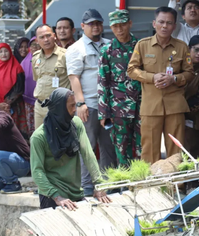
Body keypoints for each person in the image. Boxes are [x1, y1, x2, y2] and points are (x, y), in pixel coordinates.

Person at [29, 88, 112, 236]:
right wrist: (56, 197)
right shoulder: (39, 137)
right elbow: (37, 171)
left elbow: (88, 153)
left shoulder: (75, 124)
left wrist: (98, 184)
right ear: (58, 109)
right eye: (71, 106)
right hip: (51, 194)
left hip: (75, 191)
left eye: (75, 105)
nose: (75, 110)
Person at [127, 6, 194, 164]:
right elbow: (131, 70)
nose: (165, 26)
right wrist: (152, 77)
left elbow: (190, 73)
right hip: (151, 106)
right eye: (161, 22)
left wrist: (174, 79)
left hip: (175, 106)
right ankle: (150, 187)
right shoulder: (143, 45)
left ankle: (177, 186)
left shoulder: (182, 47)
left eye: (169, 23)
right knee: (149, 149)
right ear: (154, 23)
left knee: (176, 150)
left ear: (174, 26)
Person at [66, 9, 117, 195]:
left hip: (109, 106)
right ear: (83, 26)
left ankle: (108, 184)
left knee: (109, 146)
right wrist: (80, 104)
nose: (95, 27)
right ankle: (87, 186)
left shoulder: (110, 44)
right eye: (91, 24)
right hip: (89, 104)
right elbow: (74, 78)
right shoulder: (76, 48)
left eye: (98, 23)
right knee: (87, 146)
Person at [98, 10, 142, 166]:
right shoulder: (107, 50)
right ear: (110, 27)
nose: (119, 29)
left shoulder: (141, 46)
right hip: (118, 108)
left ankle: (140, 182)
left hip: (141, 106)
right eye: (115, 26)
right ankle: (124, 183)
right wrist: (103, 113)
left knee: (141, 146)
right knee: (121, 148)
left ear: (130, 23)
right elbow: (103, 82)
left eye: (123, 25)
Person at [0, 43, 28, 140]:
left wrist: (6, 103)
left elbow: (19, 89)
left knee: (16, 134)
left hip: (15, 107)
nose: (3, 54)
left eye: (6, 51)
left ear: (10, 52)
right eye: (0, 52)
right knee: (1, 134)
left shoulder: (17, 68)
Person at [32, 24, 70, 129]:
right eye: (42, 37)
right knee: (40, 140)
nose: (46, 40)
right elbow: (37, 79)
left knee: (59, 141)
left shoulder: (65, 55)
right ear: (37, 41)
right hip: (40, 106)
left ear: (54, 36)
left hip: (59, 107)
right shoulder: (35, 57)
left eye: (48, 36)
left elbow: (73, 80)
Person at [21, 37, 40, 136]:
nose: (35, 47)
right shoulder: (24, 62)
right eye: (33, 45)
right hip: (28, 100)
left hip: (42, 99)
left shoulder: (44, 59)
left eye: (37, 44)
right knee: (31, 125)